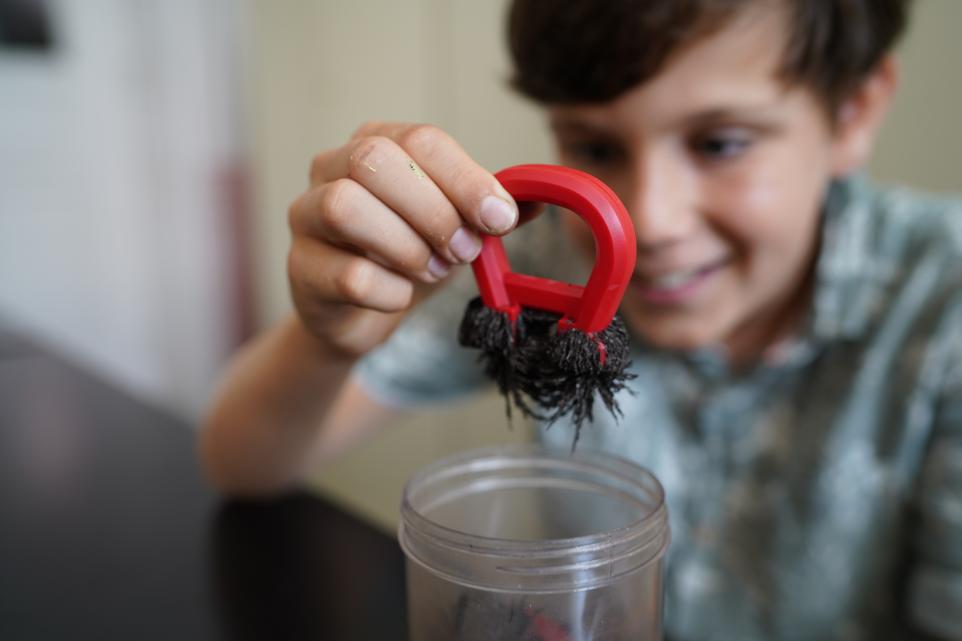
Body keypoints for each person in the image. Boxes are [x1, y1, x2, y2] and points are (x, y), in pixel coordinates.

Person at [200, 0, 962, 639]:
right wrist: (327, 340)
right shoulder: (535, 265)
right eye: (595, 145)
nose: (651, 220)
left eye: (721, 143)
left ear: (854, 112)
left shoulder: (944, 305)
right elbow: (241, 461)